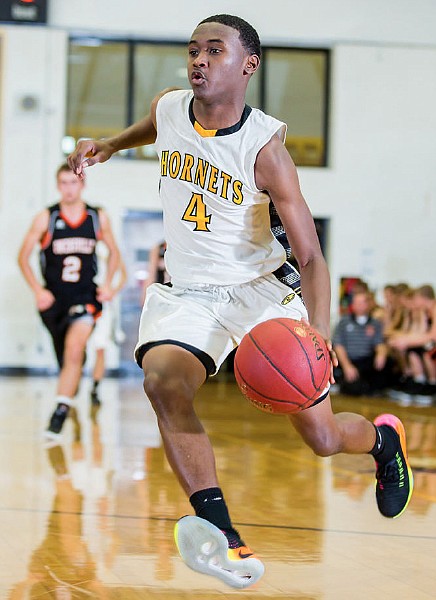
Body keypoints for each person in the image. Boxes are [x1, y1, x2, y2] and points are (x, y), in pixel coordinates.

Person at [68, 14, 413, 589]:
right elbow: (153, 125)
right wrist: (107, 144)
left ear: (247, 65)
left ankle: (382, 441)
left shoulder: (266, 150)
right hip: (190, 293)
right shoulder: (172, 106)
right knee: (163, 384)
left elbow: (312, 258)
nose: (198, 60)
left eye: (215, 51)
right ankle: (223, 533)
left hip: (262, 293)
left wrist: (319, 335)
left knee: (323, 439)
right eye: (193, 50)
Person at [18, 163, 121, 438]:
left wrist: (108, 285)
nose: (68, 188)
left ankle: (59, 412)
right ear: (57, 185)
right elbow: (22, 257)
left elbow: (114, 253)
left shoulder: (97, 217)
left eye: (72, 182)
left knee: (75, 348)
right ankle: (70, 388)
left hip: (85, 297)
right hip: (55, 300)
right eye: (63, 183)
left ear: (82, 183)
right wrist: (38, 290)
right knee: (66, 357)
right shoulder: (47, 218)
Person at [333, 291, 395, 396]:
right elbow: (338, 345)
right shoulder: (344, 322)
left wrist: (381, 354)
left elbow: (379, 342)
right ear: (353, 304)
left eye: (363, 303)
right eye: (358, 303)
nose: (361, 306)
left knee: (388, 362)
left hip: (366, 361)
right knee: (352, 388)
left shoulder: (375, 323)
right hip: (349, 360)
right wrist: (347, 366)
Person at [89, 255, 127, 407]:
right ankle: (74, 382)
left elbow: (123, 275)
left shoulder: (110, 251)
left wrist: (111, 291)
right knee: (77, 347)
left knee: (100, 348)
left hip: (102, 307)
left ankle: (95, 388)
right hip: (84, 302)